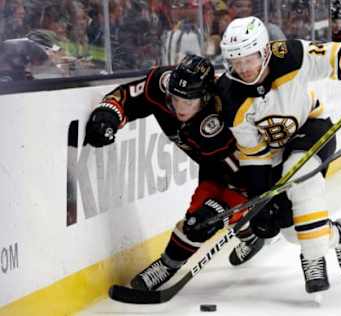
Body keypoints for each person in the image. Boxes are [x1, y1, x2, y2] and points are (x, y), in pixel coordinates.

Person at [217, 17, 341, 294]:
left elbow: (334, 55)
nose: (243, 68)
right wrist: (260, 201)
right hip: (276, 151)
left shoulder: (290, 56)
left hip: (312, 128)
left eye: (249, 59)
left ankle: (312, 258)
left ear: (264, 51)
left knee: (301, 177)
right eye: (236, 61)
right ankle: (338, 234)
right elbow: (252, 153)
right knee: (291, 230)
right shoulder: (230, 95)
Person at [84, 55, 265, 291]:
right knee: (202, 218)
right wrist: (109, 114)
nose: (179, 107)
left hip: (245, 170)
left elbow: (250, 176)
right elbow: (126, 97)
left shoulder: (230, 109)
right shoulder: (162, 84)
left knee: (199, 222)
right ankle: (250, 237)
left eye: (188, 102)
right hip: (211, 164)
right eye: (176, 99)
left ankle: (167, 265)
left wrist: (219, 212)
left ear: (206, 97)